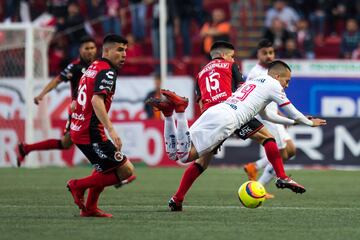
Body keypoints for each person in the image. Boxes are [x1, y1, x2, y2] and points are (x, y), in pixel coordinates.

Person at [147, 60, 326, 211]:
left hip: (217, 110)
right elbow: (291, 110)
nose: (287, 85)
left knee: (175, 153)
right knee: (185, 156)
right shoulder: (274, 85)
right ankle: (179, 111)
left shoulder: (256, 81)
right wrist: (308, 123)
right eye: (287, 81)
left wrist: (294, 123)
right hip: (229, 120)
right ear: (277, 76)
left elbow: (267, 116)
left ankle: (169, 115)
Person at [67, 34, 135, 218]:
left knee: (104, 168)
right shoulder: (107, 71)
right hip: (89, 131)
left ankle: (90, 208)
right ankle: (77, 185)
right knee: (127, 170)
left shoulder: (93, 66)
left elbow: (76, 100)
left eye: (126, 50)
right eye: (120, 50)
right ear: (107, 50)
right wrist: (111, 130)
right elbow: (97, 100)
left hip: (79, 128)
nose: (124, 54)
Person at [17, 36, 97, 167]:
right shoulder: (74, 67)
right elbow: (57, 80)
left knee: (66, 143)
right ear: (80, 50)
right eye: (86, 48)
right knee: (96, 140)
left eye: (92, 48)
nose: (90, 51)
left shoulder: (98, 66)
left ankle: (27, 148)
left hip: (93, 110)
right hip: (80, 112)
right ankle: (112, 172)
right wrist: (42, 94)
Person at [243, 39, 297, 199]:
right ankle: (258, 187)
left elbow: (274, 97)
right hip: (266, 117)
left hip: (274, 114)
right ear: (258, 54)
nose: (268, 56)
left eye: (271, 52)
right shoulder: (255, 73)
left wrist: (280, 115)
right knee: (282, 153)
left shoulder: (273, 70)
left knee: (291, 150)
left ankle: (256, 166)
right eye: (264, 53)